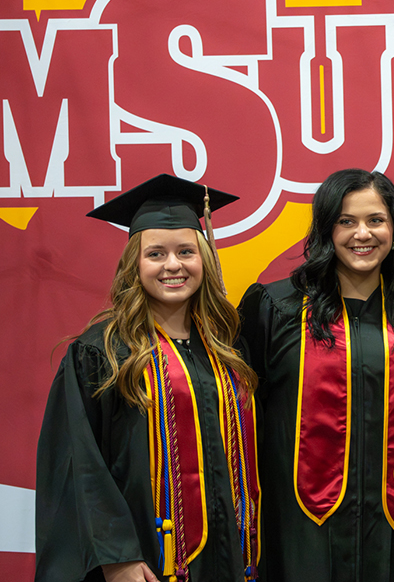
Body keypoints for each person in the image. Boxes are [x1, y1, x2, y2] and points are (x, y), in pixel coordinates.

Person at [36, 174, 260, 582]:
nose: (173, 265)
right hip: (146, 560)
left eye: (186, 251)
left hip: (233, 557)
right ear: (134, 265)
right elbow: (78, 463)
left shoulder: (228, 348)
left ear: (204, 259)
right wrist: (117, 555)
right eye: (156, 253)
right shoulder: (103, 353)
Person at [237, 169, 394, 582]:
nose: (362, 234)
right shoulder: (276, 309)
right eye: (346, 221)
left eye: (376, 220)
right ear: (326, 230)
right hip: (301, 533)